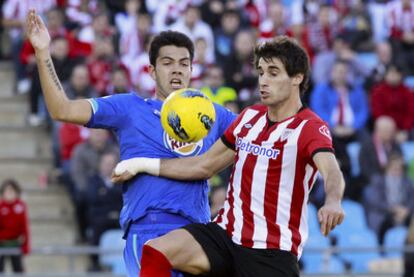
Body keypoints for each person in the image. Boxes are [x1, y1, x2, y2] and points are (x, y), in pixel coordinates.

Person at [113, 36, 345, 277]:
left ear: (297, 77)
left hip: (270, 252)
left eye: (273, 73)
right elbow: (203, 165)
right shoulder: (249, 118)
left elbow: (331, 171)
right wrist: (140, 164)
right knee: (155, 251)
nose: (263, 81)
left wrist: (333, 201)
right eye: (261, 72)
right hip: (224, 236)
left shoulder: (309, 127)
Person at [26, 10, 235, 277]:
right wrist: (43, 52)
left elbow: (258, 133)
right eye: (168, 62)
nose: (177, 70)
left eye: (184, 63)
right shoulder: (129, 108)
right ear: (151, 70)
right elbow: (62, 110)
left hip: (197, 235)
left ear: (192, 70)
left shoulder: (212, 115)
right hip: (150, 230)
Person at [0, 179, 30, 273]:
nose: (9, 193)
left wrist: (26, 245)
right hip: (1, 243)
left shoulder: (21, 206)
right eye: (7, 190)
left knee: (18, 270)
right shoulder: (1, 206)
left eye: (11, 190)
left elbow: (25, 227)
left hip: (15, 243)